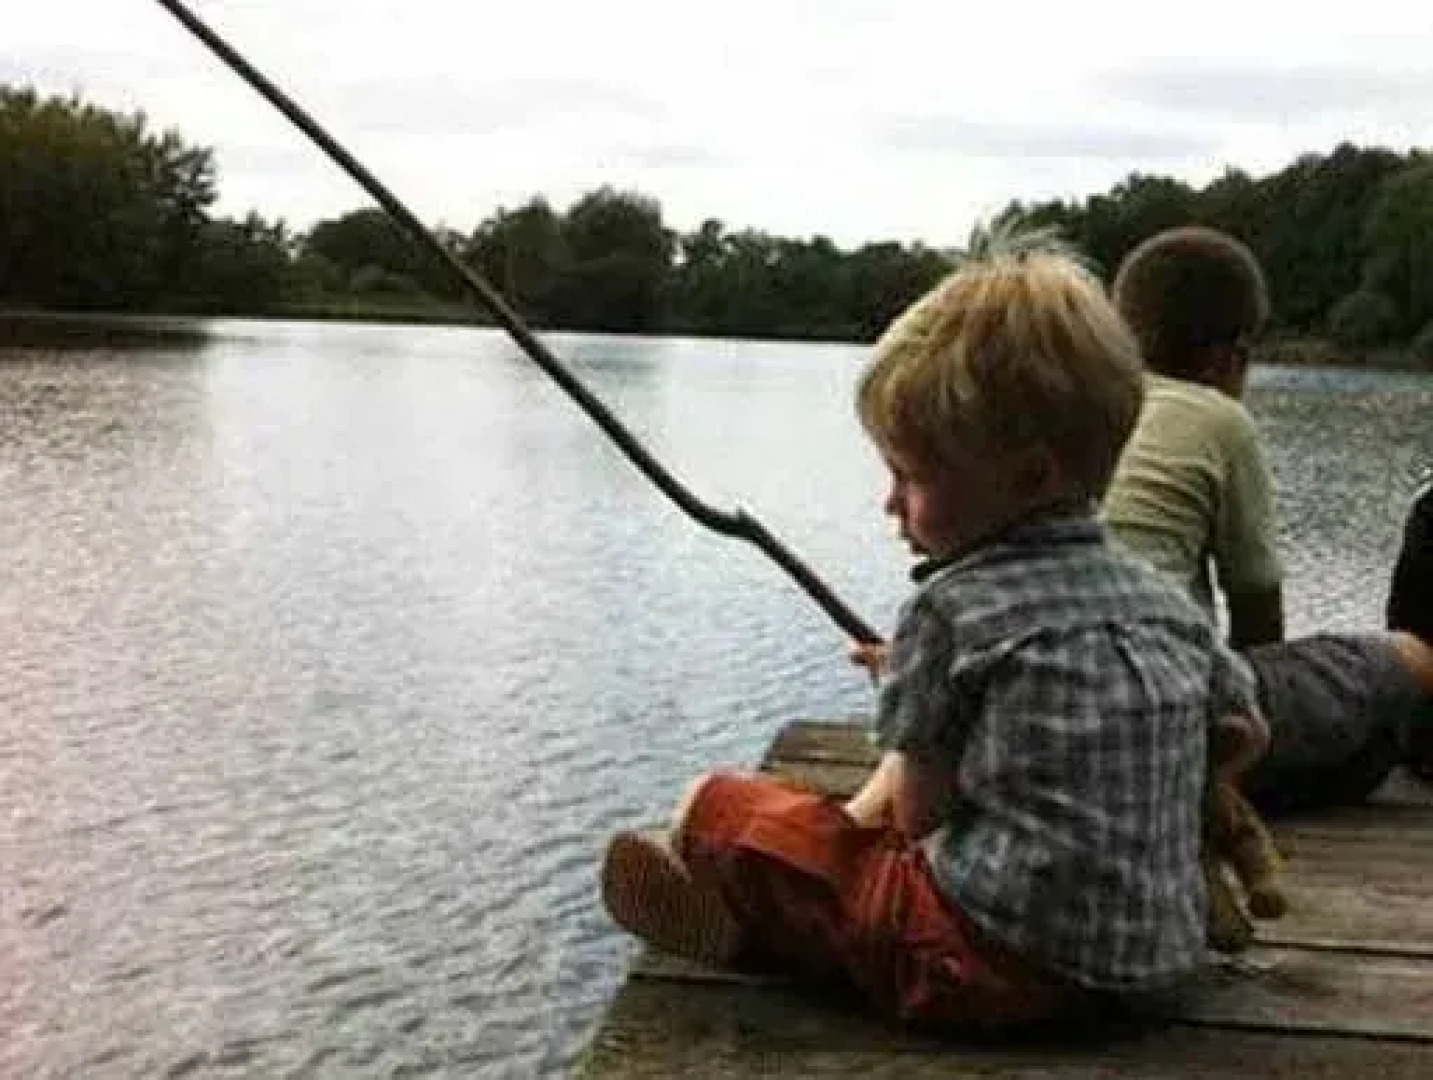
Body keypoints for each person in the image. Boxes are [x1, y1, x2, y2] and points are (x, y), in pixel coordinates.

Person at [599, 230, 1264, 1031]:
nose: (889, 504)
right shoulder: (1164, 603)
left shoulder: (948, 611)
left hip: (988, 973)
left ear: (1028, 475)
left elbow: (914, 817)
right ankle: (783, 909)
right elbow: (1241, 727)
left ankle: (766, 922)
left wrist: (919, 723)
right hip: (1156, 968)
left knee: (716, 806)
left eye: (910, 477)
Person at [1102, 226, 1285, 648]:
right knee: (1399, 662)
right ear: (1229, 358)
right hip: (1160, 675)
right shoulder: (1223, 420)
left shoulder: (1084, 402)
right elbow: (1257, 605)